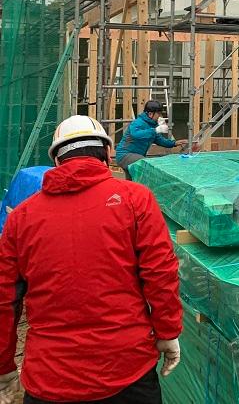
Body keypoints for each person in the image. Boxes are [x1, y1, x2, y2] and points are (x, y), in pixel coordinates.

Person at [0, 115, 182, 404]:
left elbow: (5, 299)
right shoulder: (135, 199)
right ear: (108, 154)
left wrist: (4, 368)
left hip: (51, 376)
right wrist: (167, 332)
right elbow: (160, 273)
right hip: (127, 370)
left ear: (57, 161)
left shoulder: (21, 218)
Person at [116, 101, 186, 178]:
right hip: (125, 155)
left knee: (132, 180)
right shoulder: (138, 122)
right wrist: (155, 130)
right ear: (150, 114)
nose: (160, 116)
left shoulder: (152, 125)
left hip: (135, 156)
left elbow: (159, 140)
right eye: (158, 114)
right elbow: (135, 134)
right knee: (145, 164)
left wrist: (174, 143)